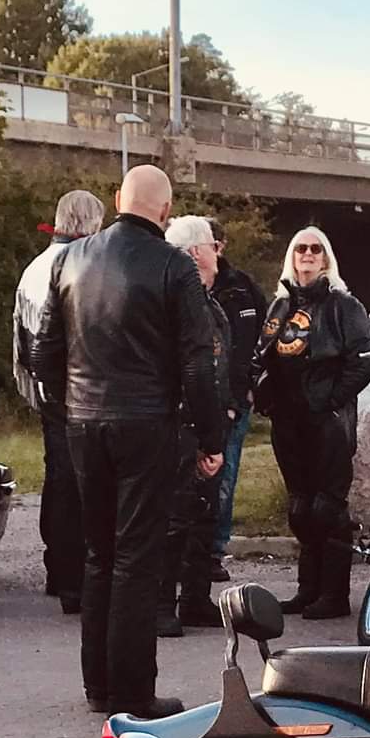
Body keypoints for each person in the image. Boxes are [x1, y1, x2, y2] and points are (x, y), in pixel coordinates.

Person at [31, 165, 223, 718]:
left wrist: (68, 408)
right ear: (166, 210)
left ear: (118, 199)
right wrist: (210, 437)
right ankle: (133, 691)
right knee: (138, 558)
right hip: (146, 423)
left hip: (83, 421)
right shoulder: (174, 266)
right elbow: (197, 363)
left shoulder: (69, 259)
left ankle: (98, 685)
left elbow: (44, 351)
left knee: (99, 554)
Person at [257, 225, 370, 619]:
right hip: (288, 422)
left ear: (326, 258)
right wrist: (263, 394)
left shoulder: (344, 305)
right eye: (300, 248)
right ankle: (308, 589)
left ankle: (334, 594)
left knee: (328, 507)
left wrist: (330, 400)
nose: (307, 254)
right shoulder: (280, 306)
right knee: (300, 507)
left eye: (315, 248)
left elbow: (363, 362)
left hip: (328, 421)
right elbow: (263, 358)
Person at [12, 190, 104, 612]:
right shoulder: (77, 265)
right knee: (76, 484)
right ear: (90, 224)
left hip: (47, 389)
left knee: (58, 478)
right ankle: (73, 580)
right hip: (74, 391)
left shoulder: (36, 266)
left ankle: (57, 568)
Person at [160, 216, 233, 633]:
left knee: (203, 513)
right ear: (195, 253)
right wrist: (203, 435)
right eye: (211, 246)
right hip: (182, 423)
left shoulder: (207, 300)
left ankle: (195, 598)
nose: (217, 254)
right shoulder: (178, 303)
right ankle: (161, 604)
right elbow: (191, 369)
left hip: (207, 420)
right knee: (174, 516)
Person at [207, 217, 265, 579]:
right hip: (195, 398)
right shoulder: (182, 282)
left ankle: (214, 549)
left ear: (221, 245)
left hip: (235, 397)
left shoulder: (242, 288)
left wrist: (249, 384)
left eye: (212, 243)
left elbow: (262, 338)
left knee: (225, 474)